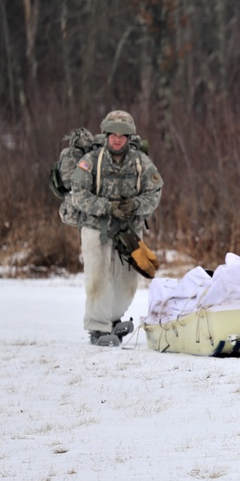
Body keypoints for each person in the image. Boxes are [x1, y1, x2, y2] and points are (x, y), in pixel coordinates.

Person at [68, 110, 163, 345]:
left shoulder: (141, 162)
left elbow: (155, 192)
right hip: (95, 226)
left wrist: (135, 204)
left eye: (122, 135)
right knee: (98, 277)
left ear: (130, 137)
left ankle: (113, 319)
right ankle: (98, 328)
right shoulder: (91, 160)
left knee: (127, 280)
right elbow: (78, 194)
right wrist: (107, 207)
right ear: (106, 134)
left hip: (129, 231)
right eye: (113, 134)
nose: (117, 139)